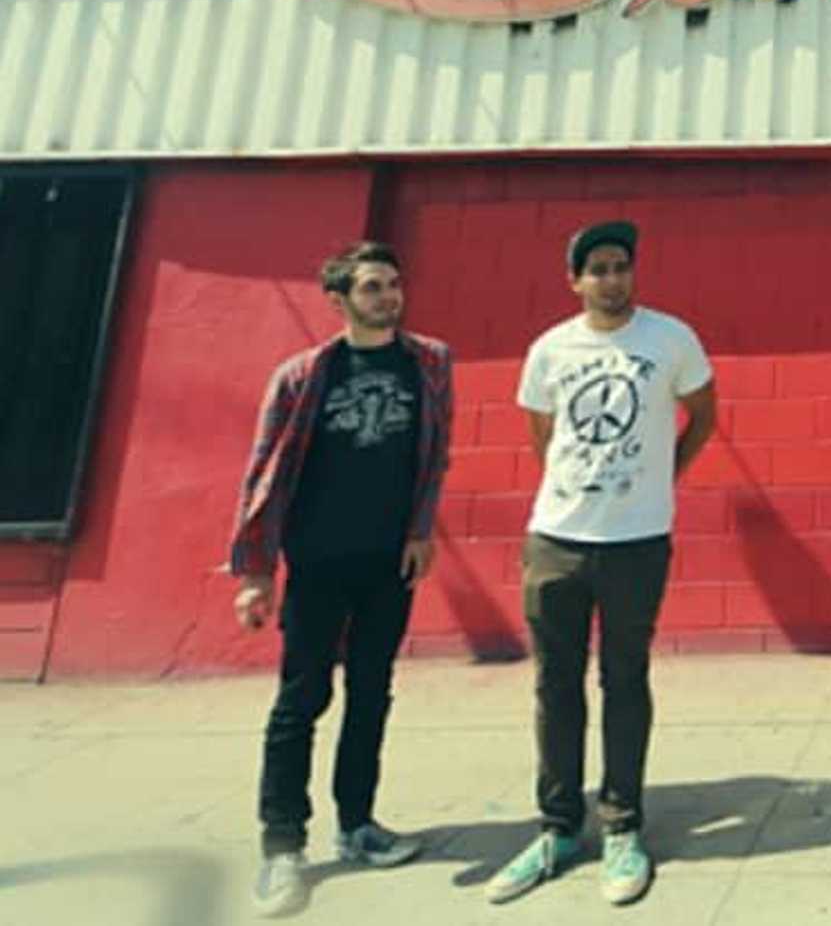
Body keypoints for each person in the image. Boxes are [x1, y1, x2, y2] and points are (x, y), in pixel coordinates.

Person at [487, 219, 718, 908]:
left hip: (638, 543)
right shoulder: (550, 349)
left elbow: (702, 415)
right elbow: (543, 433)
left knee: (626, 680)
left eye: (622, 266)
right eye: (599, 269)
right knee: (556, 686)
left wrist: (661, 479)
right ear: (575, 280)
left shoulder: (670, 338)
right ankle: (558, 827)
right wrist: (575, 494)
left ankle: (622, 825)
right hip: (556, 539)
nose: (612, 279)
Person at [229, 240, 454, 919]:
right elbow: (264, 473)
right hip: (318, 562)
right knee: (301, 699)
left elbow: (434, 456)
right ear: (340, 300)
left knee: (371, 693)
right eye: (372, 287)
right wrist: (256, 571)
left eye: (392, 284)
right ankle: (282, 846)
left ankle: (357, 823)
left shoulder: (430, 364)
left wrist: (420, 532)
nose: (388, 296)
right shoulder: (304, 374)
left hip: (389, 562)